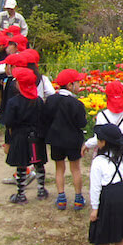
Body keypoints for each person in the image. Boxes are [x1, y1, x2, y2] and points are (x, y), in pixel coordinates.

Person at [44, 69, 88, 210]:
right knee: (75, 169)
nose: (79, 85)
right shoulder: (76, 104)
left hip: (56, 139)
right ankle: (78, 198)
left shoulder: (50, 100)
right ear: (70, 85)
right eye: (77, 82)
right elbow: (82, 123)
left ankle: (61, 198)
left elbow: (46, 119)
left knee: (59, 168)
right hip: (73, 140)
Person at [2, 66, 45, 204]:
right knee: (38, 162)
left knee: (21, 165)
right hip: (36, 136)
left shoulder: (13, 102)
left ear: (19, 84)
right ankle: (41, 189)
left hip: (20, 136)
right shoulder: (38, 101)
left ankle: (21, 194)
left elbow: (8, 122)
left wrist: (8, 140)